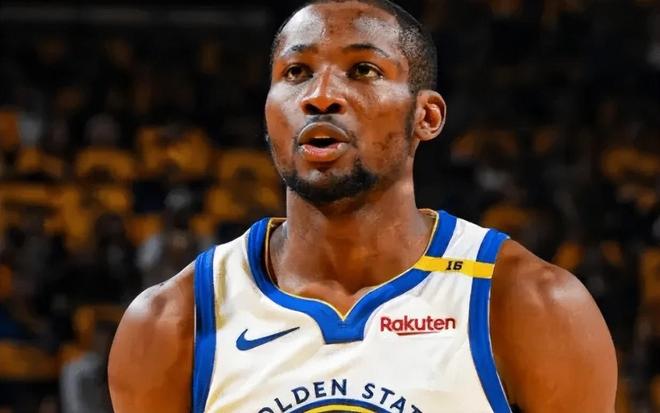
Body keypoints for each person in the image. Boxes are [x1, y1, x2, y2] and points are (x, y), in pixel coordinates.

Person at [108, 1, 617, 412]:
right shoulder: (172, 322)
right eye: (296, 72)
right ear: (267, 113)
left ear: (426, 116)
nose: (320, 96)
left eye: (363, 70)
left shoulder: (529, 304)